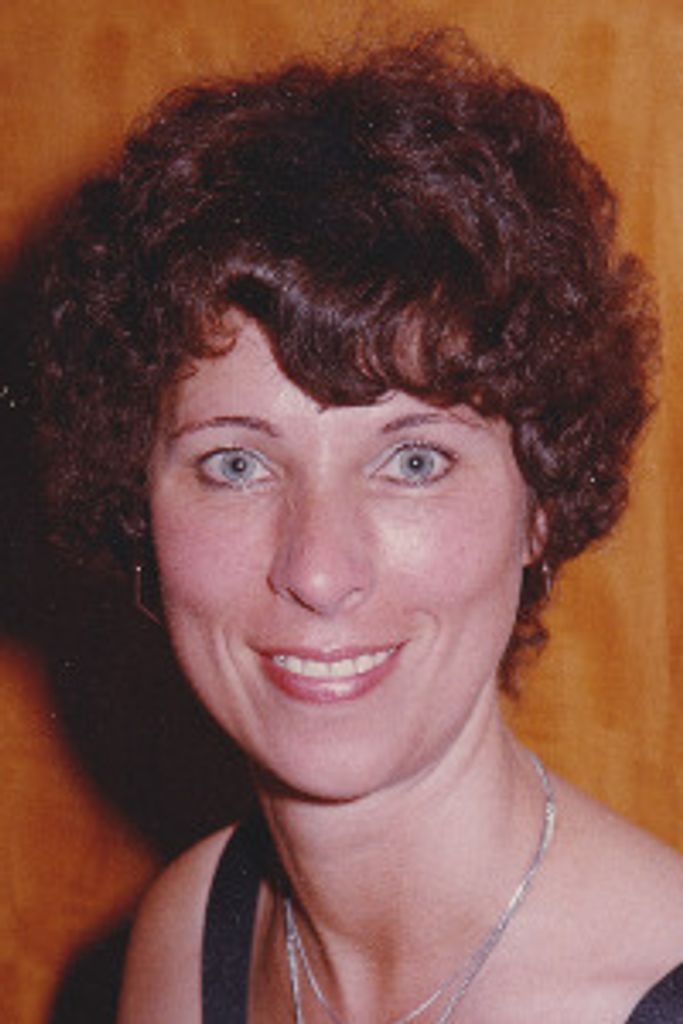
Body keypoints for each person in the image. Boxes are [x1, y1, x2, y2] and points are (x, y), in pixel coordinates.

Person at [34, 29, 683, 1023]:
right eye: (236, 464)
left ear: (541, 503)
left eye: (412, 461)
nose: (318, 569)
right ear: (139, 503)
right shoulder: (185, 939)